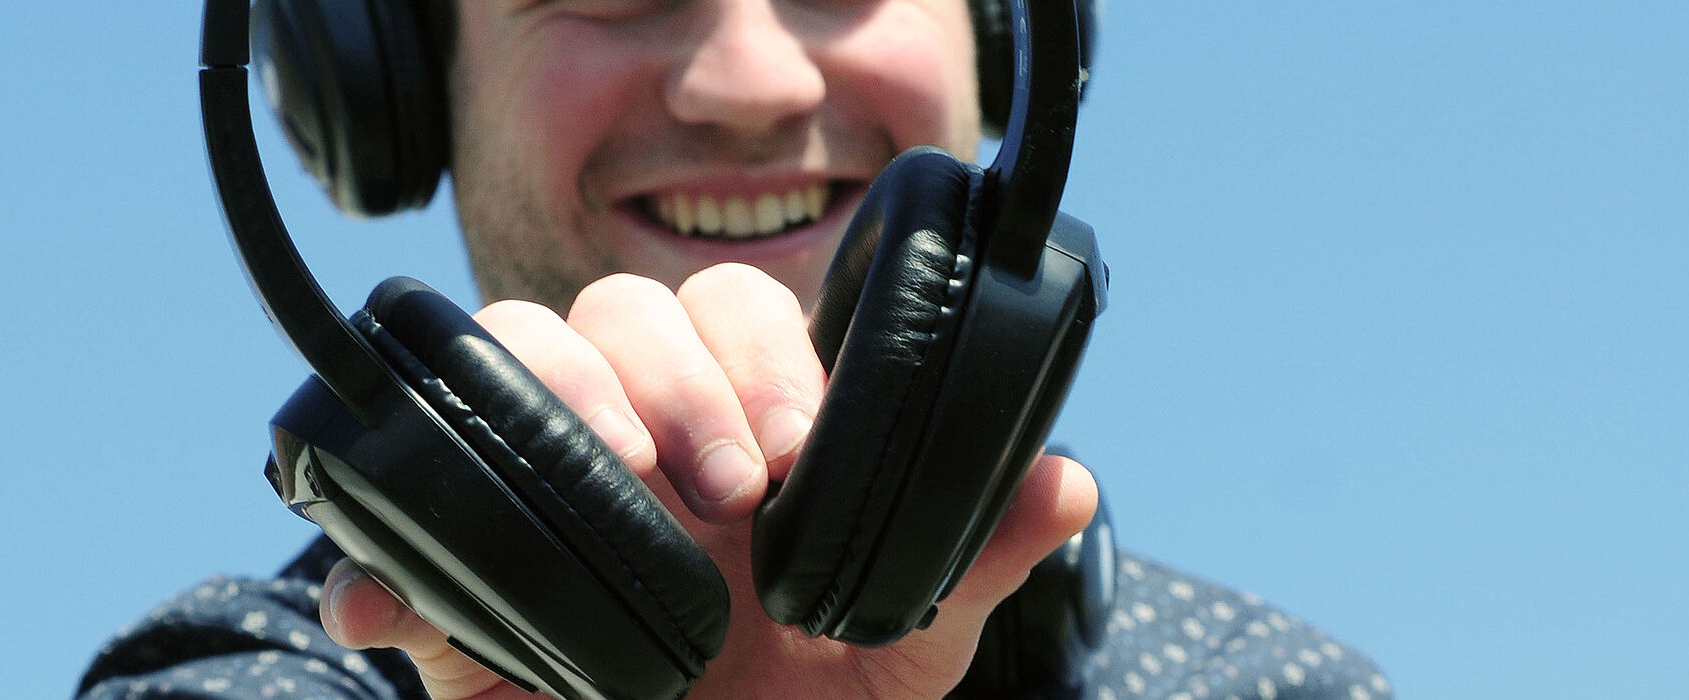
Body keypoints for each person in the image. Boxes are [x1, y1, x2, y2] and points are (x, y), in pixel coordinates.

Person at [81, 1, 1390, 698]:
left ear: (1008, 37)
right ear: (393, 89)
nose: (750, 81)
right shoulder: (241, 683)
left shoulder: (1258, 687)